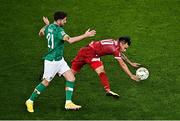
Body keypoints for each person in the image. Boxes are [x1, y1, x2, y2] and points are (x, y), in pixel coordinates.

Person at [25, 11, 96, 113]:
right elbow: (70, 41)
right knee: (45, 82)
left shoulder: (49, 27)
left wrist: (46, 25)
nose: (66, 22)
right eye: (64, 20)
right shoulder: (59, 31)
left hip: (59, 60)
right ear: (59, 20)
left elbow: (40, 33)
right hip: (52, 61)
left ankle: (68, 103)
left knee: (71, 78)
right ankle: (30, 100)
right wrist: (85, 35)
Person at [71, 37, 140, 98]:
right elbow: (123, 64)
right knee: (101, 71)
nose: (125, 50)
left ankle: (108, 90)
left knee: (70, 75)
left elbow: (120, 54)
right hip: (92, 54)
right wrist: (131, 75)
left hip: (84, 51)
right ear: (122, 43)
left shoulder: (114, 42)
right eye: (125, 48)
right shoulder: (114, 49)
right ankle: (108, 90)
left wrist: (131, 63)